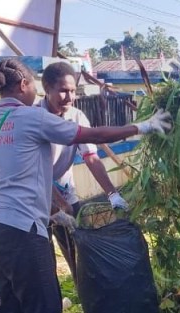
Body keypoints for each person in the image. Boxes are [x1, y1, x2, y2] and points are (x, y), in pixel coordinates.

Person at [0, 57, 171, 313]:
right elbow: (87, 136)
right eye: (35, 85)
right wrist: (141, 127)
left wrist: (91, 199)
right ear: (26, 87)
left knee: (12, 309)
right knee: (45, 307)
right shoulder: (31, 116)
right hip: (18, 230)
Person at [38, 61, 129, 277]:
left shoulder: (76, 116)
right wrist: (56, 206)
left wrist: (112, 194)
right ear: (47, 89)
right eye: (63, 91)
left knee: (75, 250)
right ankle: (53, 302)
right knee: (43, 257)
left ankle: (83, 290)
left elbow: (91, 157)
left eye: (73, 91)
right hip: (36, 196)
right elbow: (35, 173)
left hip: (65, 189)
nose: (69, 98)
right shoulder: (34, 118)